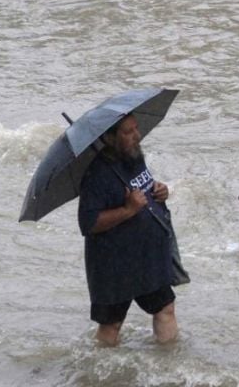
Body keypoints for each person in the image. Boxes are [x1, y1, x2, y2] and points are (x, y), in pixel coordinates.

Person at [78, 113, 178, 346]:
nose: (137, 136)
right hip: (113, 264)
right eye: (128, 132)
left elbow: (144, 189)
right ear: (110, 137)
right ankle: (101, 377)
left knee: (165, 309)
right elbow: (88, 223)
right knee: (111, 325)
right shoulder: (96, 174)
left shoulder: (133, 156)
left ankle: (167, 369)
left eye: (136, 128)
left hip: (146, 256)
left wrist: (159, 191)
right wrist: (128, 210)